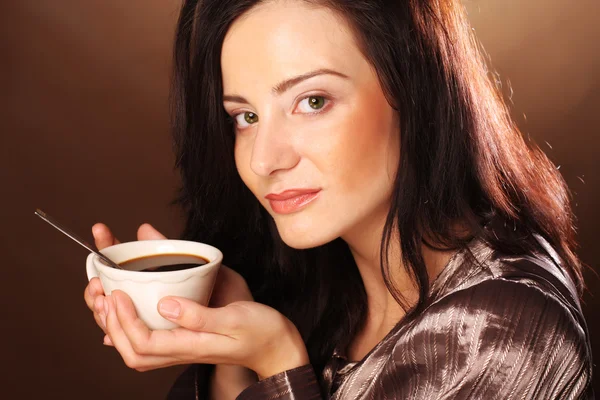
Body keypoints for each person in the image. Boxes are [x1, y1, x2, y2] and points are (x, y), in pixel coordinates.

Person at [84, 0, 594, 398]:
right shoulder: (317, 276)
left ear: (414, 91)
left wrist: (279, 364)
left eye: (312, 102)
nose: (264, 160)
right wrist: (229, 343)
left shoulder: (503, 334)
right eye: (246, 117)